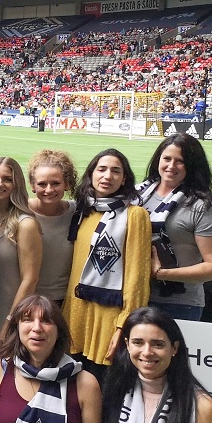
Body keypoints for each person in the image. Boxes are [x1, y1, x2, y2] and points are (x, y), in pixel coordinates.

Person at [63, 149, 151, 380]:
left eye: (115, 171)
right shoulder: (82, 212)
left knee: (104, 396)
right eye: (101, 169)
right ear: (91, 174)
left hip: (110, 321)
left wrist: (125, 325)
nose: (107, 176)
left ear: (124, 179)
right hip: (76, 317)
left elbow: (138, 277)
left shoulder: (135, 216)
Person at [137, 134, 212, 321]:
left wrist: (162, 274)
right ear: (158, 160)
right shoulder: (137, 194)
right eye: (167, 159)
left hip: (178, 304)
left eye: (180, 161)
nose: (171, 166)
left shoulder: (203, 206)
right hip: (133, 297)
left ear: (193, 165)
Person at [0, 157, 42, 367]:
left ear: (16, 184)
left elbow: (30, 279)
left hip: (6, 316)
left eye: (7, 179)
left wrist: (10, 321)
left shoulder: (25, 224)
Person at [27, 150, 78, 306]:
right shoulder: (21, 211)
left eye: (55, 183)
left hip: (66, 301)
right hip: (28, 298)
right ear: (33, 186)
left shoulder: (77, 212)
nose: (49, 190)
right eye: (42, 184)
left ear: (67, 184)